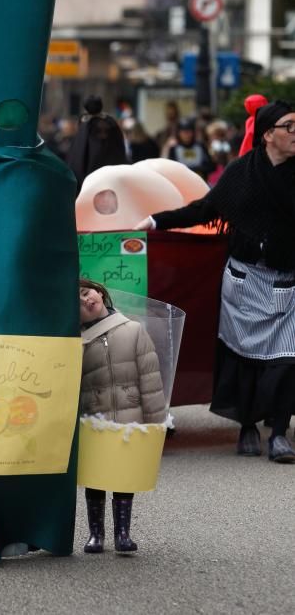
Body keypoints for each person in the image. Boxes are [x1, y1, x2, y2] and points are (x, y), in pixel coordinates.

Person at [137, 99, 295, 463]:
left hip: (287, 279)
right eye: (288, 126)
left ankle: (281, 434)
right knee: (244, 359)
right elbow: (205, 209)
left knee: (286, 359)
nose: (294, 133)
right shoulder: (241, 172)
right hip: (244, 277)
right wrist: (157, 221)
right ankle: (248, 427)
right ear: (268, 134)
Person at [79, 278, 166, 553]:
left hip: (131, 417)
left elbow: (150, 378)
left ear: (100, 293)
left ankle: (123, 534)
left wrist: (155, 422)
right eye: (77, 303)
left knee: (123, 477)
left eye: (86, 292)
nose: (85, 301)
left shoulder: (133, 330)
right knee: (95, 478)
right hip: (95, 418)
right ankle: (96, 534)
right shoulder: (76, 341)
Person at [67, 95, 127, 193]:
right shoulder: (108, 122)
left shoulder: (85, 123)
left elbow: (78, 156)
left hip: (91, 178)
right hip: (110, 176)